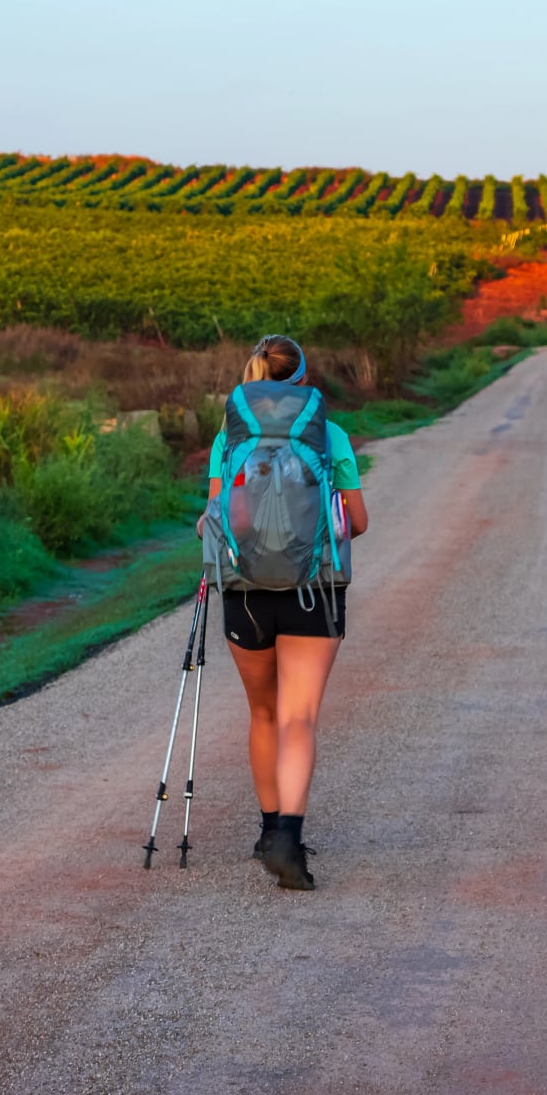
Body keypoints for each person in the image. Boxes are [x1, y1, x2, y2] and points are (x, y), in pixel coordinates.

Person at [202, 334, 368, 890]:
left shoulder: (229, 435)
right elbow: (359, 521)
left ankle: (267, 827)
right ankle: (288, 842)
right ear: (303, 378)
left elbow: (222, 513)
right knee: (299, 716)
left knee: (264, 713)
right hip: (314, 590)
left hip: (245, 591)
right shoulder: (331, 434)